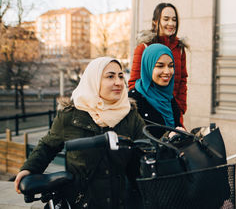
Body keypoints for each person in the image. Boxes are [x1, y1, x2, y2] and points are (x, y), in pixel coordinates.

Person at [14, 57, 146, 209]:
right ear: (94, 80)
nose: (118, 82)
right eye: (110, 76)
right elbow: (47, 146)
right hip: (80, 201)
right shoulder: (70, 115)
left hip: (120, 201)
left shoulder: (129, 115)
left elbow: (147, 145)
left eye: (121, 76)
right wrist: (28, 169)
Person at [128, 3, 188, 115]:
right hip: (150, 111)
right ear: (155, 21)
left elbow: (183, 80)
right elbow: (134, 82)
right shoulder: (144, 47)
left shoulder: (179, 48)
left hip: (173, 110)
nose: (171, 23)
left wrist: (180, 107)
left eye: (174, 20)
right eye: (166, 19)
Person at [130, 43, 183, 138]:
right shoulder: (134, 100)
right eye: (160, 66)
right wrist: (167, 139)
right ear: (148, 67)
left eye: (171, 66)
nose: (167, 72)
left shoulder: (168, 97)